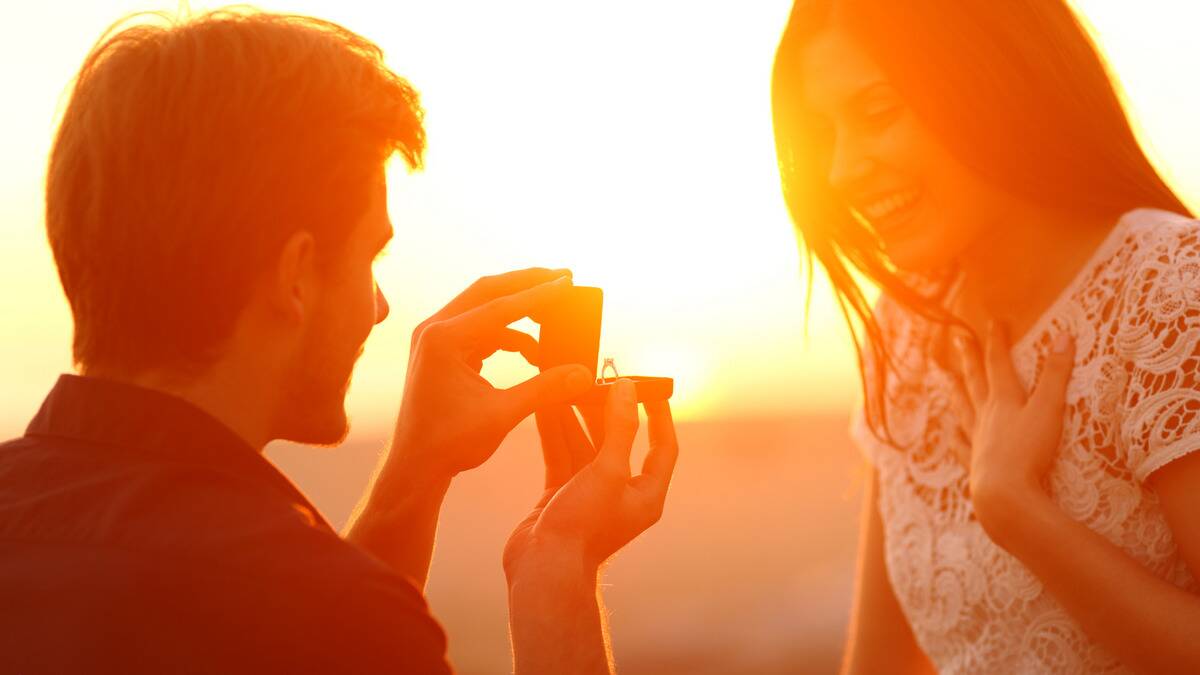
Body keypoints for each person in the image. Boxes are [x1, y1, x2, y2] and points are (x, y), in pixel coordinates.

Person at [0, 9, 678, 674]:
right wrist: (556, 569)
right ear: (296, 275)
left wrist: (414, 475)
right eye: (370, 257)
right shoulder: (326, 613)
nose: (380, 307)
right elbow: (311, 628)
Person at [771, 0, 1200, 673]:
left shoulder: (1170, 289)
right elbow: (880, 663)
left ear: (993, 83)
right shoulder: (905, 328)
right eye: (823, 133)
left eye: (878, 111)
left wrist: (1022, 515)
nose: (840, 170)